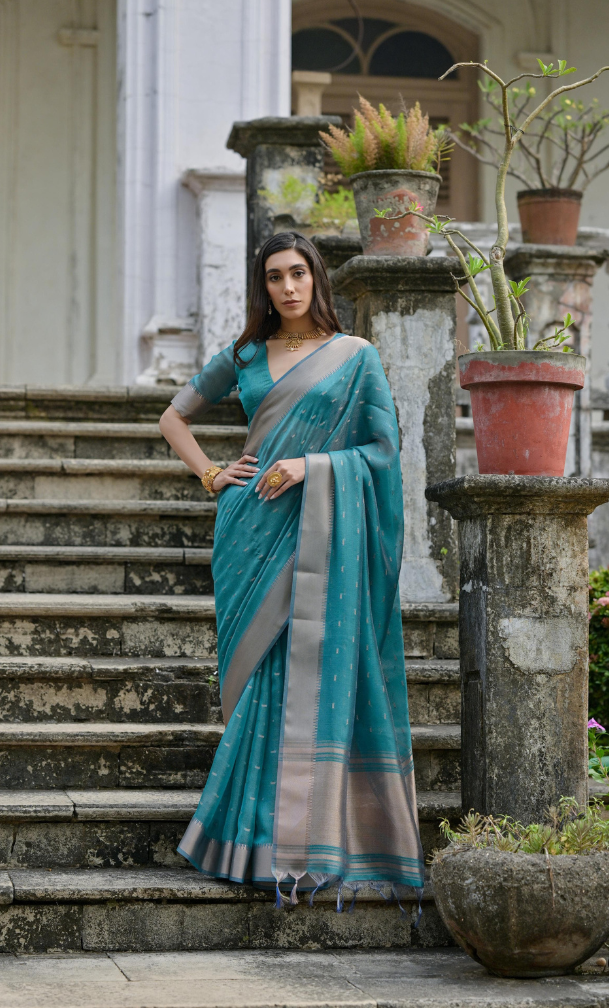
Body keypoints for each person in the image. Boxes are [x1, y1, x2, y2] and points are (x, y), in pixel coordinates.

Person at [158, 231, 425, 908]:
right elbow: (173, 416)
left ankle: (297, 844)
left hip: (323, 532)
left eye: (298, 273)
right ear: (264, 287)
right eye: (275, 276)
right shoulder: (246, 355)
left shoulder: (355, 358)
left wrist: (311, 466)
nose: (288, 287)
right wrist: (212, 473)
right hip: (251, 533)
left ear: (317, 279)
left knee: (304, 680)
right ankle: (248, 844)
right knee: (257, 689)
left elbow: (383, 451)